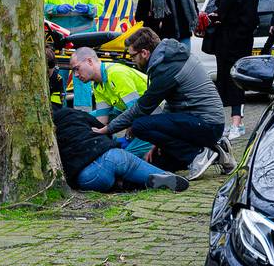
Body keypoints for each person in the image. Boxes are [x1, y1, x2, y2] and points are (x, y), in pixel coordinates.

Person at [94, 28, 232, 180]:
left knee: (139, 125)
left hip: (207, 124)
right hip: (201, 123)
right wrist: (158, 141)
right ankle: (218, 150)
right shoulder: (168, 59)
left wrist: (107, 129)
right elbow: (171, 105)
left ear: (145, 53)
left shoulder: (166, 67)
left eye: (132, 56)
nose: (132, 60)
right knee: (159, 162)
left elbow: (142, 108)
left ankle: (197, 154)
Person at [52, 103, 188, 193]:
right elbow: (104, 130)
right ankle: (163, 176)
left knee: (110, 179)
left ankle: (123, 184)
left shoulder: (46, 128)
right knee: (130, 163)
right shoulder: (72, 114)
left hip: (86, 176)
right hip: (108, 156)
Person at [205, 0, 259, 139]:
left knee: (236, 84)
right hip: (224, 46)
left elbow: (249, 22)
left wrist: (225, 23)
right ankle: (236, 122)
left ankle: (237, 123)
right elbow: (223, 12)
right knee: (225, 83)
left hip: (237, 46)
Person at [68, 46, 152, 158]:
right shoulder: (97, 84)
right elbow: (101, 120)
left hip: (153, 116)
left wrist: (127, 134)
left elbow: (136, 113)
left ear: (89, 61)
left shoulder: (116, 73)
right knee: (85, 118)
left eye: (77, 69)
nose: (76, 75)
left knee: (124, 159)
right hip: (136, 114)